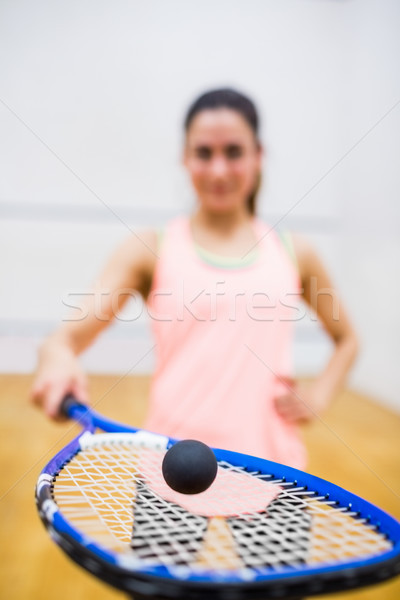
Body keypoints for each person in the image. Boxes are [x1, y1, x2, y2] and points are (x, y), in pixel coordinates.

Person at [31, 88, 358, 470]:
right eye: (204, 153)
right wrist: (56, 357)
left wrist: (319, 394)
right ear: (185, 158)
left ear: (258, 155)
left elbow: (347, 339)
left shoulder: (295, 252)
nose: (218, 169)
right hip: (168, 464)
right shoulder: (150, 247)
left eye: (233, 152)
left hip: (274, 472)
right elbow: (65, 339)